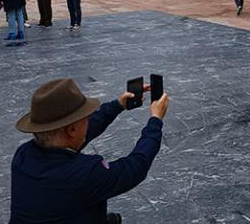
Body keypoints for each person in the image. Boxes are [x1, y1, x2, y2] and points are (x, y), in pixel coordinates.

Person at [10, 78, 169, 223]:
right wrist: (155, 120)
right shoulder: (85, 174)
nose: (89, 120)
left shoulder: (23, 155)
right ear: (72, 130)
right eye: (86, 116)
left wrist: (118, 105)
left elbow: (83, 132)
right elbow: (135, 168)